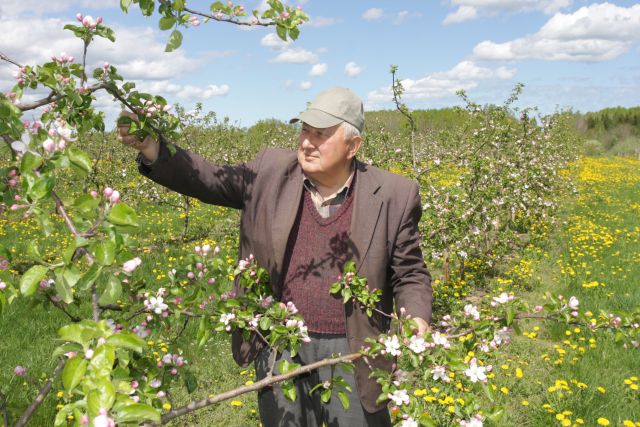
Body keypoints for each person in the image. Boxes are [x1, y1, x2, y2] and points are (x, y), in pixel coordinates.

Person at [118, 86, 433, 427]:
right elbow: (209, 178)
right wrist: (152, 147)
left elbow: (410, 272)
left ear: (353, 146)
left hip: (355, 347)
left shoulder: (393, 194)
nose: (307, 142)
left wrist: (415, 316)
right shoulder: (270, 172)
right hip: (281, 342)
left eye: (322, 135)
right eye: (305, 131)